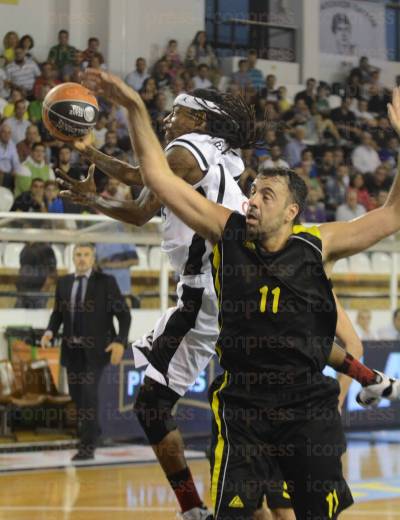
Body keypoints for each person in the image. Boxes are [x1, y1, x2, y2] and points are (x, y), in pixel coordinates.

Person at [61, 71, 397, 520]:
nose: (252, 200)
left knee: (161, 409)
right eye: (253, 191)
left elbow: (392, 214)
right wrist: (122, 124)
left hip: (271, 369)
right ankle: (368, 377)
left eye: (266, 194)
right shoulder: (230, 213)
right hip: (251, 389)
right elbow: (155, 179)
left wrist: (129, 111)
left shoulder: (309, 244)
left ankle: (194, 506)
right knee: (256, 498)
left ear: (292, 212)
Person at [40, 243, 131, 460]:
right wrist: (50, 331)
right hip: (72, 351)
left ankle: (87, 446)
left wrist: (120, 341)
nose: (82, 258)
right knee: (77, 396)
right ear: (73, 258)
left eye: (86, 255)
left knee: (89, 396)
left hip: (97, 351)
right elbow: (57, 314)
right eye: (78, 255)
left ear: (93, 258)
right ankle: (95, 431)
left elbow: (124, 316)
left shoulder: (106, 283)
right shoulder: (64, 283)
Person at [15, 242, 56, 308]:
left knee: (36, 317)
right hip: (22, 291)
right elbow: (22, 267)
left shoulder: (46, 249)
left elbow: (52, 273)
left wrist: (43, 291)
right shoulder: (25, 249)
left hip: (38, 292)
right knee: (19, 316)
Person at [0, 122, 21, 190]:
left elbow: (16, 162)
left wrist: (15, 171)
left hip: (9, 174)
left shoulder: (12, 145)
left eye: (9, 133)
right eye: (4, 132)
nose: (6, 135)